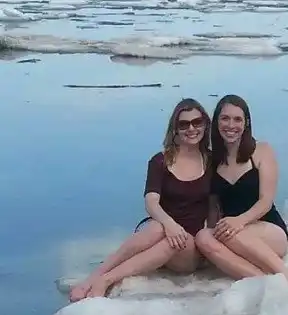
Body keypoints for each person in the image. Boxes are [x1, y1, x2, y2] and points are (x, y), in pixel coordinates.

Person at [69, 98, 212, 301]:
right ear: (175, 129)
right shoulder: (160, 161)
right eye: (184, 124)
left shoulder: (211, 161)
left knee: (174, 241)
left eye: (197, 122)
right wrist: (169, 224)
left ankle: (107, 280)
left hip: (190, 248)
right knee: (157, 228)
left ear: (205, 125)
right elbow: (151, 201)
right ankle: (94, 277)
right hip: (162, 231)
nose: (191, 129)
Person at [195, 94, 288, 294]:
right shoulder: (212, 160)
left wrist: (239, 221)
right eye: (225, 118)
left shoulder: (262, 151)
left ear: (246, 123)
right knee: (203, 237)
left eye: (237, 119)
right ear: (216, 122)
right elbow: (213, 209)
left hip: (268, 229)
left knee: (228, 231)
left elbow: (266, 201)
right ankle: (265, 282)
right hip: (231, 232)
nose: (231, 125)